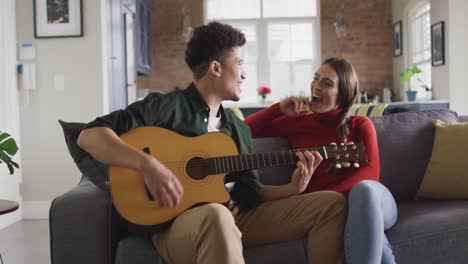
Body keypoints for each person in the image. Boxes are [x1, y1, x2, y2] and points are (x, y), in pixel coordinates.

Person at [77, 22, 347, 264]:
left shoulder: (237, 128)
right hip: (177, 224)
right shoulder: (165, 107)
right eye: (239, 63)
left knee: (331, 205)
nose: (244, 74)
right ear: (216, 68)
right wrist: (148, 165)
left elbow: (251, 194)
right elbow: (89, 136)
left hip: (234, 216)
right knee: (217, 216)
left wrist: (292, 188)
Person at [245, 57, 398, 264]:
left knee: (365, 191)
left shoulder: (360, 124)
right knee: (371, 236)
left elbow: (371, 173)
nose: (316, 86)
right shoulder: (298, 122)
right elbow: (242, 132)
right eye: (316, 79)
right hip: (334, 211)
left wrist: (328, 202)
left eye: (327, 84)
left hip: (374, 203)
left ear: (342, 95)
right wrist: (278, 108)